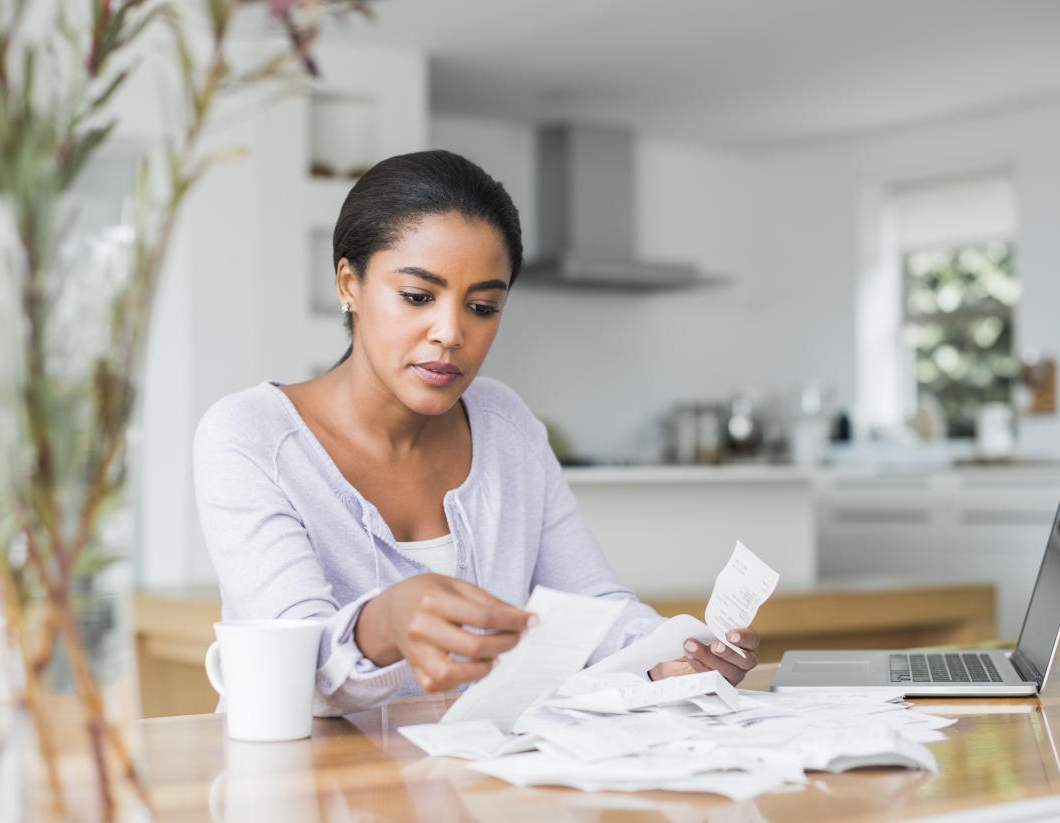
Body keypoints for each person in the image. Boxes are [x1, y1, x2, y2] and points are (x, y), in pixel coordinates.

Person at [193, 150, 759, 715]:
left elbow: (593, 604)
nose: (451, 333)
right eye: (417, 297)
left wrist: (673, 657)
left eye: (483, 306)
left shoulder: (504, 424)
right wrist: (383, 623)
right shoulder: (250, 437)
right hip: (307, 786)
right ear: (349, 284)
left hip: (480, 782)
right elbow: (293, 665)